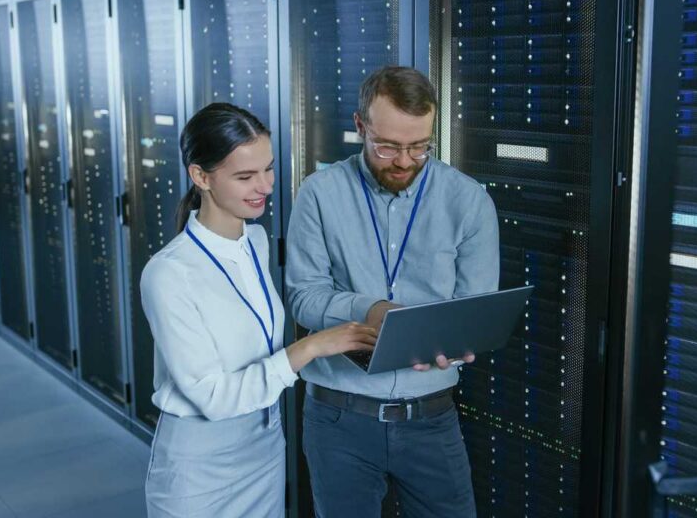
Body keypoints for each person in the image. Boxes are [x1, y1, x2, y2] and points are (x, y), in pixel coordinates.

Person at [140, 103, 378, 517]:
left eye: (268, 169)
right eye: (245, 176)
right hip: (200, 465)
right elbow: (212, 397)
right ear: (201, 176)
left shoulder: (256, 242)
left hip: (265, 444)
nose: (265, 186)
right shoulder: (168, 273)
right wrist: (310, 347)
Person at [286, 66, 500, 517]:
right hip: (339, 419)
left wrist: (457, 344)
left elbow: (474, 309)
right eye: (387, 146)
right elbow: (303, 297)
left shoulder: (468, 200)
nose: (404, 161)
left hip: (431, 419)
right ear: (360, 126)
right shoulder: (319, 193)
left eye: (419, 147)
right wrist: (371, 310)